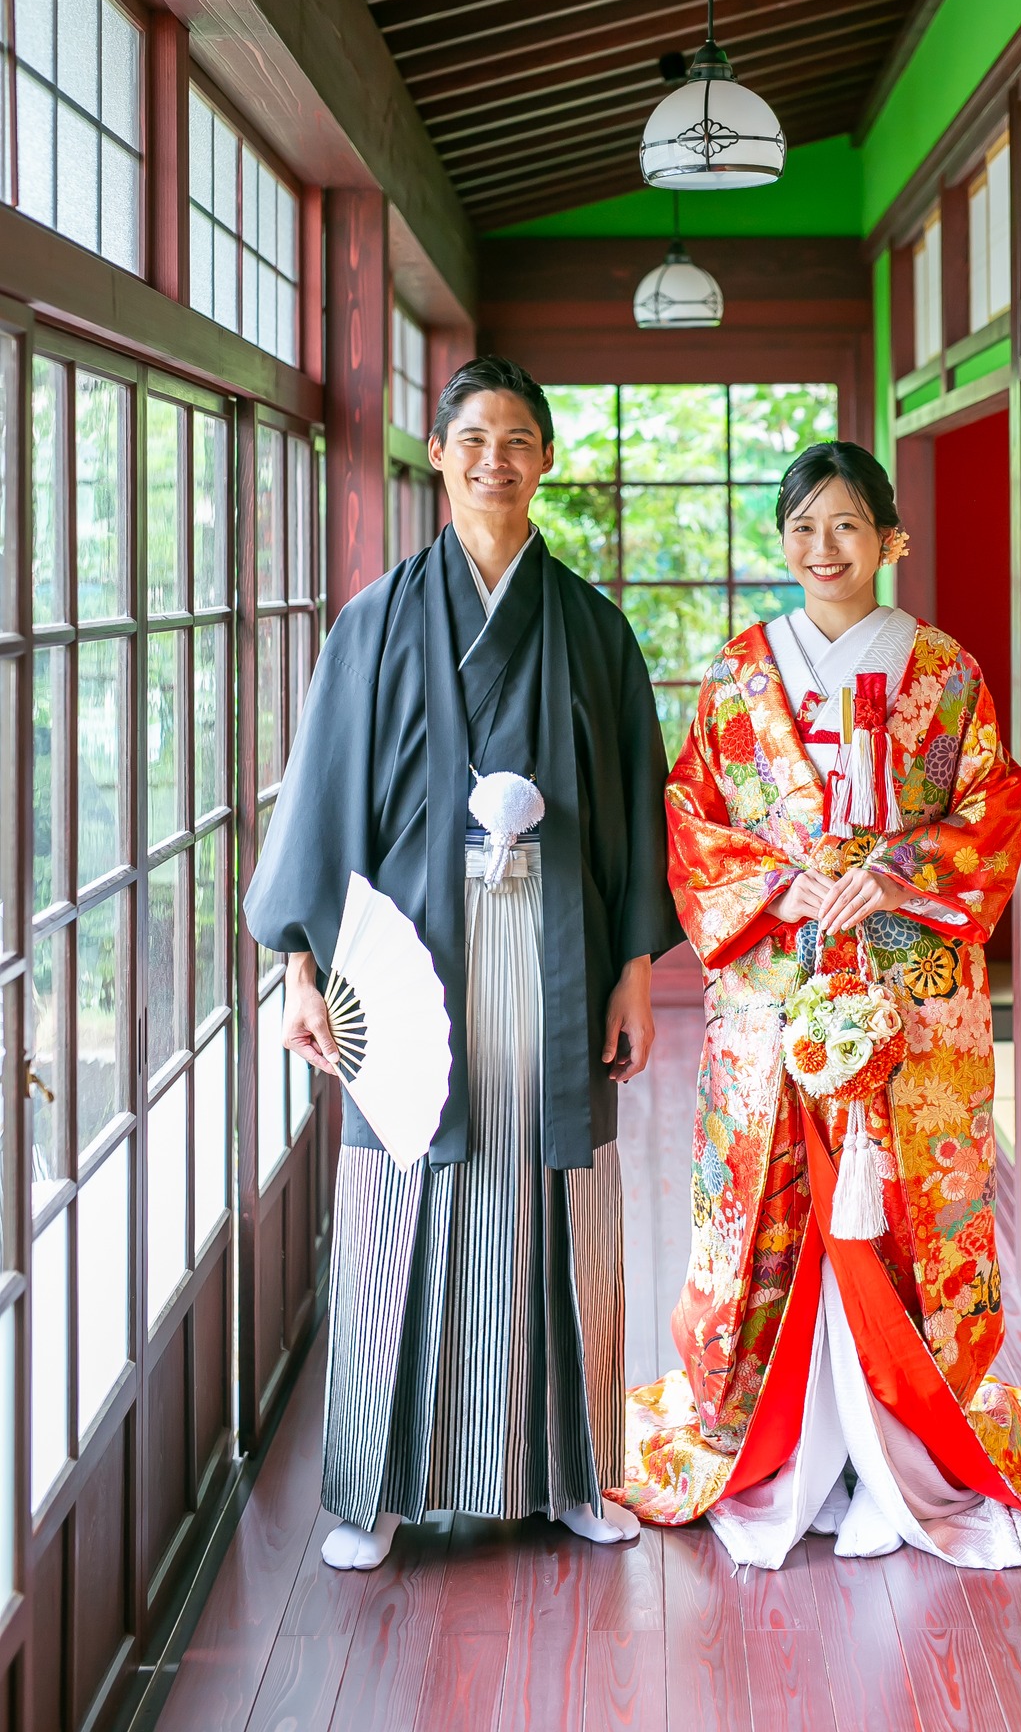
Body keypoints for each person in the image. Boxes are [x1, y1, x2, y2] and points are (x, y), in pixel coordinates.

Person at [610, 441, 1021, 1568]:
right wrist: (779, 881)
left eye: (845, 525)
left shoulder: (943, 670)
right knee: (768, 1207)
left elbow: (992, 803)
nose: (822, 548)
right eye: (802, 527)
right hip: (775, 983)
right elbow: (692, 813)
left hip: (907, 987)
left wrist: (898, 869)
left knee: (909, 1213)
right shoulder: (738, 675)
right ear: (782, 541)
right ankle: (783, 1447)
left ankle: (907, 1452)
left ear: (889, 537)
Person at [245, 356, 680, 1569]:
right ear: (437, 453)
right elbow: (322, 799)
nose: (497, 458)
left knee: (558, 1202)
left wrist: (634, 972)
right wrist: (299, 971)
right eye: (474, 437)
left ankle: (575, 1471)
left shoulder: (591, 626)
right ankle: (378, 1490)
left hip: (556, 952)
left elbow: (637, 809)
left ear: (547, 460)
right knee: (402, 1202)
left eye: (519, 438)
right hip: (404, 961)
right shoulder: (376, 621)